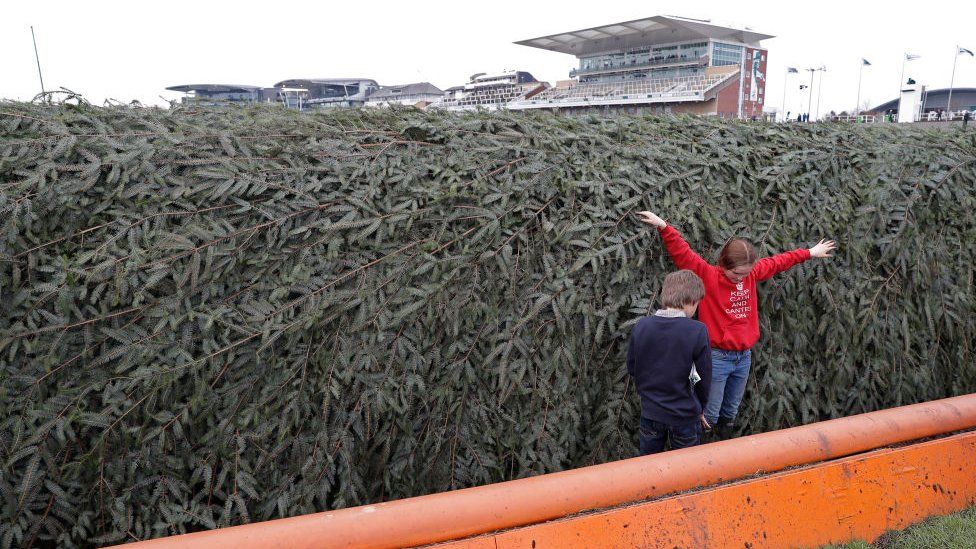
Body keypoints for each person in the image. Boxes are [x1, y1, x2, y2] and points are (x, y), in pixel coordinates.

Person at [636, 211, 836, 440]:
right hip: (717, 357)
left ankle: (727, 447)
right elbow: (683, 253)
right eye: (736, 274)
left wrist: (810, 253)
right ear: (723, 264)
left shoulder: (750, 275)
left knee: (730, 411)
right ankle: (699, 450)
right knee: (709, 414)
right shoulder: (708, 276)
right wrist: (663, 226)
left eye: (746, 274)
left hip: (743, 357)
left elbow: (778, 262)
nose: (741, 278)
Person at [627, 270, 712, 455]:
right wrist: (701, 407)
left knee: (649, 464)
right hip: (685, 415)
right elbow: (703, 377)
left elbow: (632, 366)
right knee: (687, 465)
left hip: (650, 413)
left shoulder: (642, 326)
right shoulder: (697, 330)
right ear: (691, 302)